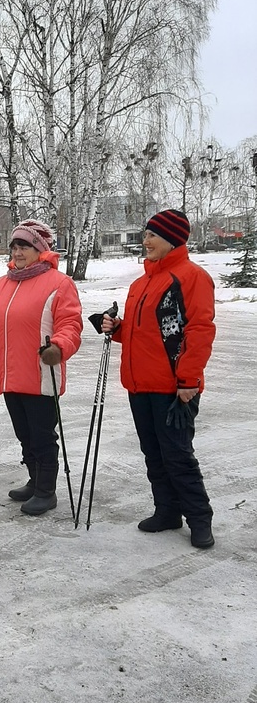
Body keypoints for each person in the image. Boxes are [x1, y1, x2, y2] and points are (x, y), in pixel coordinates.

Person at [0, 220, 83, 515]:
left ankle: (47, 491)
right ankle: (35, 482)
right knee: (24, 433)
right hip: (9, 374)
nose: (18, 252)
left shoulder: (59, 284)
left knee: (42, 435)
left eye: (25, 246)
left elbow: (70, 325)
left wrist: (58, 347)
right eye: (14, 246)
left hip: (40, 374)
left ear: (40, 250)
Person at [101, 209, 215, 548]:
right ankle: (167, 511)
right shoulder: (141, 283)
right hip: (139, 385)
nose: (145, 241)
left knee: (178, 456)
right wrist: (115, 328)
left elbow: (199, 330)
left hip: (174, 388)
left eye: (153, 235)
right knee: (154, 453)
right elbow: (146, 333)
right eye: (146, 234)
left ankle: (199, 519)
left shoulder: (191, 277)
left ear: (172, 239)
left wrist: (188, 381)